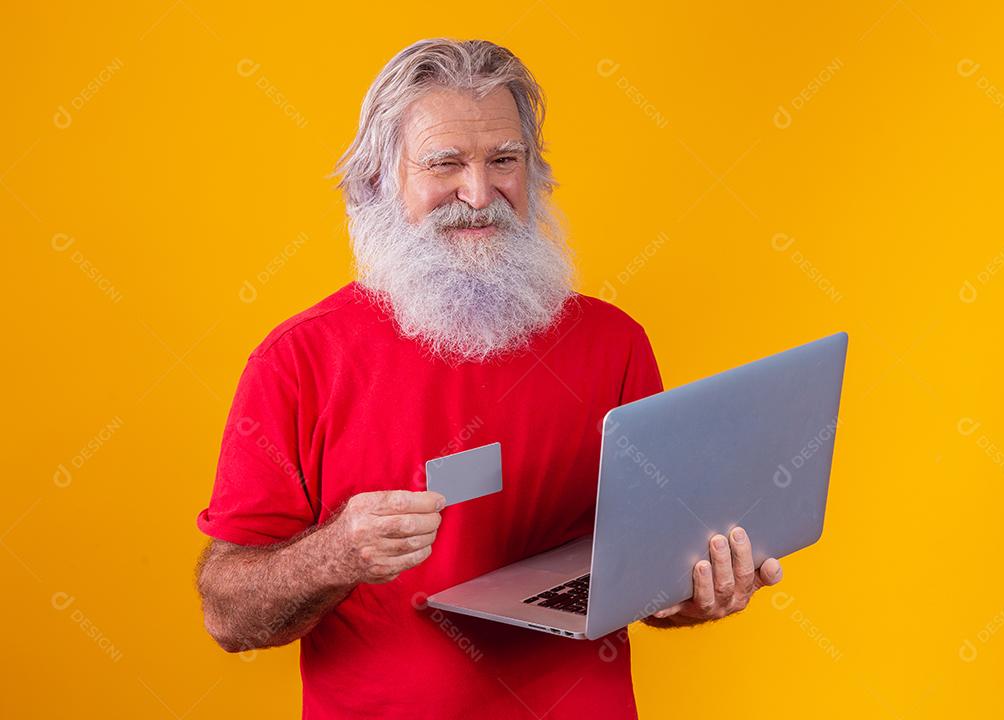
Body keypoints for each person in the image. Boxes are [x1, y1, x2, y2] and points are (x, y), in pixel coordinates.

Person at [195, 37, 784, 719]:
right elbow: (228, 617)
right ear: (380, 183)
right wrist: (336, 554)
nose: (479, 195)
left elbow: (646, 583)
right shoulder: (297, 361)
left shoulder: (614, 344)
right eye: (446, 164)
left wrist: (697, 591)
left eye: (503, 160)